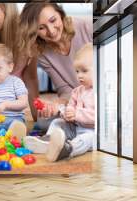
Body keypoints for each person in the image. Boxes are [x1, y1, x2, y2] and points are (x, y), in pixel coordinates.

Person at [19, 2, 92, 130]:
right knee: (42, 122)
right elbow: (65, 90)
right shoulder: (43, 53)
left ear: (61, 14)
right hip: (77, 102)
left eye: (53, 20)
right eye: (41, 28)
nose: (51, 31)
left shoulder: (87, 27)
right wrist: (55, 105)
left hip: (100, 99)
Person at [23, 43, 95, 162]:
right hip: (75, 127)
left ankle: (68, 149)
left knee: (88, 138)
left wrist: (76, 114)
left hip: (91, 131)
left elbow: (97, 117)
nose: (79, 75)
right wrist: (64, 112)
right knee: (58, 122)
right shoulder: (77, 91)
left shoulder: (100, 92)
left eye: (84, 71)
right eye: (77, 71)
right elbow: (70, 108)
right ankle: (48, 140)